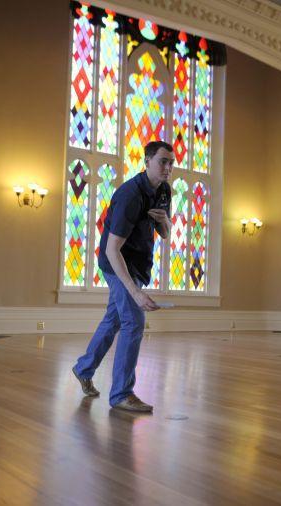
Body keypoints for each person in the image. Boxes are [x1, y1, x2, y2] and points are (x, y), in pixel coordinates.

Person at [72, 141, 174, 412]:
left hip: (139, 264)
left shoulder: (164, 190)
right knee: (133, 321)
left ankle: (84, 368)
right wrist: (137, 292)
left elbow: (165, 233)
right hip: (116, 263)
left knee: (114, 318)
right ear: (147, 161)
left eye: (171, 163)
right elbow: (111, 248)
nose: (168, 168)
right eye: (163, 161)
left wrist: (164, 220)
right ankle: (121, 394)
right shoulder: (130, 194)